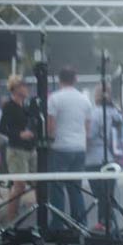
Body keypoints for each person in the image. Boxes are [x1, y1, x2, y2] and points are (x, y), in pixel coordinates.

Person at [47, 67, 92, 230]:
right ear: (75, 79)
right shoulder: (84, 100)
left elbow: (50, 126)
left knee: (57, 187)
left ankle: (58, 224)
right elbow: (88, 127)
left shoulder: (54, 98)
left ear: (60, 80)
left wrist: (49, 141)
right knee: (75, 187)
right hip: (79, 147)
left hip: (60, 147)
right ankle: (79, 223)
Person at [85, 83, 123, 232]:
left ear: (97, 96)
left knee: (99, 194)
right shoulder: (117, 113)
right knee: (109, 193)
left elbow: (90, 135)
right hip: (112, 158)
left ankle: (103, 221)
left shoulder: (95, 113)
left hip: (94, 158)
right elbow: (121, 136)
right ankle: (108, 221)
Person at [0, 75, 36, 222]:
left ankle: (38, 216)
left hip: (30, 150)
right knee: (19, 185)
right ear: (15, 89)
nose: (26, 88)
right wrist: (19, 134)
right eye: (23, 85)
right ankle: (10, 219)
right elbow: (2, 128)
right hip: (16, 150)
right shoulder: (9, 106)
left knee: (38, 183)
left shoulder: (26, 106)